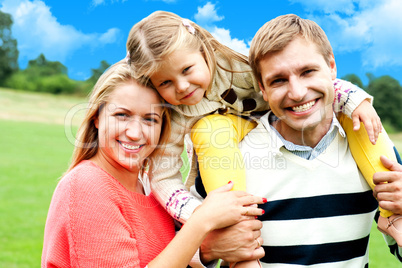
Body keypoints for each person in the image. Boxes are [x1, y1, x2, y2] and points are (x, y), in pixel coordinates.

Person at [125, 11, 383, 267]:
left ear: (204, 52)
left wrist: (354, 100)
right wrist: (200, 216)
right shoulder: (181, 118)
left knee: (355, 118)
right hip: (234, 140)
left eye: (186, 69)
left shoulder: (238, 69)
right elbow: (162, 177)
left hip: (274, 124)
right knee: (209, 129)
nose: (181, 87)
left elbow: (310, 83)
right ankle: (244, 247)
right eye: (165, 82)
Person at [41, 60, 266, 268]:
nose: (135, 133)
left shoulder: (152, 190)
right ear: (97, 118)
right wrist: (202, 221)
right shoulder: (87, 185)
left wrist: (205, 249)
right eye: (122, 115)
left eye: (150, 119)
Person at [228, 13, 402, 266]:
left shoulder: (372, 149)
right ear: (262, 88)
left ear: (332, 67)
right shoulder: (233, 155)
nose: (297, 93)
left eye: (307, 71)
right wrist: (208, 252)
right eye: (278, 80)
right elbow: (186, 249)